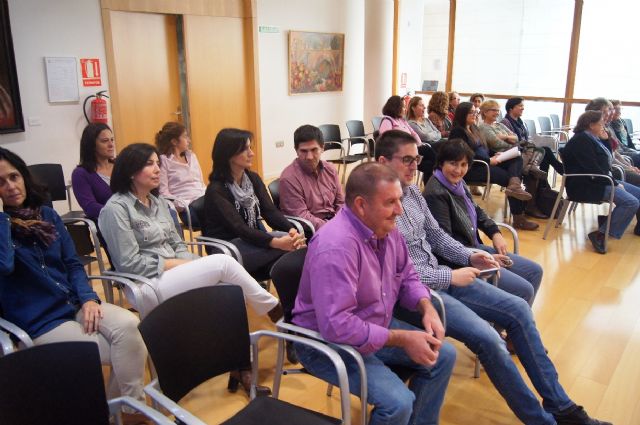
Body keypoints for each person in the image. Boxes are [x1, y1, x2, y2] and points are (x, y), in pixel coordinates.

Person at [374, 131, 612, 425]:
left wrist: (469, 256)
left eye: (417, 159)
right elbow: (399, 276)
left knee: (519, 309)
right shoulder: (377, 208)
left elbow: (437, 237)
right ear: (383, 161)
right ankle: (542, 420)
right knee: (490, 340)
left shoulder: (412, 194)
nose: (414, 166)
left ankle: (561, 406)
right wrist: (450, 274)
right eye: (407, 160)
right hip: (419, 296)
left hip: (443, 279)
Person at [98, 143, 282, 395]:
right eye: (149, 164)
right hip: (145, 284)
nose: (157, 169)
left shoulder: (160, 203)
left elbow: (178, 245)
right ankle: (276, 311)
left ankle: (242, 368)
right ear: (131, 172)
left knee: (229, 288)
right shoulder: (115, 209)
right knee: (224, 262)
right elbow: (130, 264)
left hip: (174, 274)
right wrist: (183, 265)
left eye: (157, 163)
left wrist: (190, 265)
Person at [292, 162, 456, 425]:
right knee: (397, 403)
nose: (399, 211)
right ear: (360, 205)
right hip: (325, 343)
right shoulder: (335, 247)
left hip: (371, 323)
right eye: (390, 202)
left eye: (399, 200)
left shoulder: (386, 229)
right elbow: (337, 326)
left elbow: (408, 276)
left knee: (443, 357)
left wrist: (426, 307)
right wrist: (402, 338)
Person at [0, 147, 149, 425]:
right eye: (0, 182)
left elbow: (72, 264)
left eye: (14, 176)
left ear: (23, 177)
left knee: (131, 326)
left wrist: (89, 299)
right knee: (125, 350)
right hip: (42, 320)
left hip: (75, 303)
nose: (10, 186)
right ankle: (124, 414)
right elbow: (5, 265)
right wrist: (1, 219)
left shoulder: (46, 215)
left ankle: (124, 414)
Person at [424, 139, 543, 305]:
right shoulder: (435, 193)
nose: (458, 170)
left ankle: (508, 323)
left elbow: (477, 210)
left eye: (464, 164)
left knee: (535, 271)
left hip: (475, 247)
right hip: (461, 259)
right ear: (441, 163)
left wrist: (495, 232)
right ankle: (505, 325)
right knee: (524, 290)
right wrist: (479, 257)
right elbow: (445, 242)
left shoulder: (457, 182)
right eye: (453, 163)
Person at [202, 128, 306, 276]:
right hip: (226, 248)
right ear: (229, 154)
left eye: (250, 147)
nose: (252, 153)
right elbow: (240, 228)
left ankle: (294, 296)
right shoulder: (216, 190)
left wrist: (290, 230)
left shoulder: (252, 179)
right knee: (295, 249)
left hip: (250, 240)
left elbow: (270, 211)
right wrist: (276, 242)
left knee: (296, 244)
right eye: (245, 149)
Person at [449, 102, 539, 230]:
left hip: (486, 162)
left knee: (516, 158)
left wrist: (496, 154)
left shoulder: (473, 128)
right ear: (462, 114)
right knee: (510, 178)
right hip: (474, 167)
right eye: (471, 112)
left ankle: (515, 185)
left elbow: (483, 148)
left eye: (475, 112)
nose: (475, 115)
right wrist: (489, 159)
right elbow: (462, 155)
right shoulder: (458, 132)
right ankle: (519, 217)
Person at [562, 111, 640, 254]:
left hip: (599, 180)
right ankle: (600, 235)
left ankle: (615, 223)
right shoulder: (581, 141)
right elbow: (593, 168)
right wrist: (614, 184)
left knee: (638, 194)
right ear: (591, 125)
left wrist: (605, 141)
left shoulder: (593, 138)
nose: (604, 126)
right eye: (601, 124)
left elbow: (606, 163)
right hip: (586, 185)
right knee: (631, 202)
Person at [279, 124, 344, 230]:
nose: (309, 157)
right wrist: (333, 227)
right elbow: (302, 217)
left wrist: (341, 221)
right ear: (296, 150)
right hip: (312, 231)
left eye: (314, 150)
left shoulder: (330, 169)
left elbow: (341, 202)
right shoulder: (289, 179)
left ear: (322, 148)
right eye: (304, 151)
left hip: (335, 223)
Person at [155, 121, 206, 227]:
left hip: (204, 201)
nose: (189, 140)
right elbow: (164, 194)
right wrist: (184, 203)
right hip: (188, 208)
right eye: (185, 137)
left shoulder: (192, 156)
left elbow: (201, 183)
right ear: (174, 141)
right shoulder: (164, 160)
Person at [500, 97, 564, 175]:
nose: (523, 108)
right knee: (545, 151)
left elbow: (526, 138)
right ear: (511, 108)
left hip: (525, 149)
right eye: (520, 106)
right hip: (517, 152)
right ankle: (561, 170)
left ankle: (543, 184)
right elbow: (511, 141)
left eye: (522, 106)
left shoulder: (520, 122)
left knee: (544, 155)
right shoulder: (505, 122)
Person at [585, 98, 640, 187]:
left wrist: (629, 167)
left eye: (610, 111)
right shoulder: (593, 132)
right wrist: (628, 168)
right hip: (608, 174)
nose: (610, 114)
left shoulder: (605, 129)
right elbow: (608, 160)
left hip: (614, 169)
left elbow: (614, 153)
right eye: (606, 112)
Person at [379, 95, 434, 182]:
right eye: (403, 107)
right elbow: (385, 139)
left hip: (411, 149)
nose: (405, 109)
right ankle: (440, 170)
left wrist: (419, 145)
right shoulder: (387, 120)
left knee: (430, 164)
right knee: (428, 150)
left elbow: (414, 133)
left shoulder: (402, 120)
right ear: (396, 107)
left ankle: (430, 187)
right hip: (399, 151)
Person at [71, 123, 115, 222]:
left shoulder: (120, 165)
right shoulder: (80, 174)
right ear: (91, 145)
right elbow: (90, 207)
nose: (111, 145)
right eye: (105, 141)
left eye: (112, 140)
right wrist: (120, 213)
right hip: (109, 224)